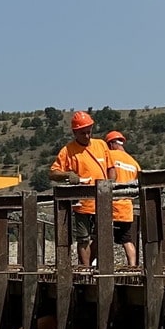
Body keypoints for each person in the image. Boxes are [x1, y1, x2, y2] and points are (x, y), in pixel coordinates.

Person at [50, 110, 110, 266]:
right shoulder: (68, 151)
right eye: (83, 133)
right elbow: (53, 173)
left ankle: (88, 263)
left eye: (89, 132)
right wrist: (68, 175)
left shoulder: (101, 145)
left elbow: (110, 168)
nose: (87, 136)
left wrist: (111, 185)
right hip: (82, 203)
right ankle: (85, 268)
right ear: (75, 132)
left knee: (101, 236)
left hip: (101, 200)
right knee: (83, 238)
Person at [104, 130, 141, 267]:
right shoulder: (133, 162)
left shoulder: (109, 156)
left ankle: (93, 266)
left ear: (111, 144)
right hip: (126, 208)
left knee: (100, 237)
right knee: (127, 239)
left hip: (111, 206)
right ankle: (133, 266)